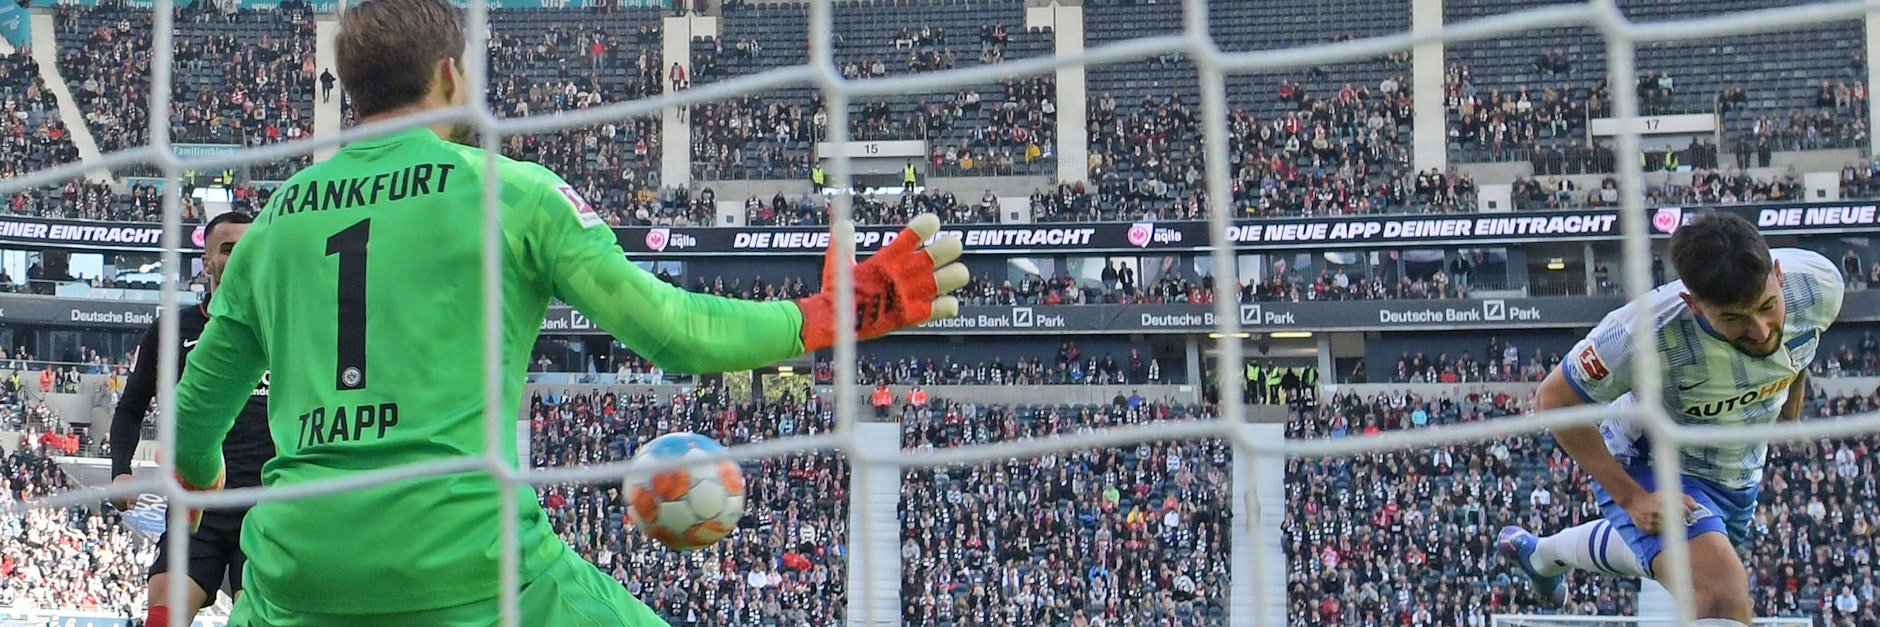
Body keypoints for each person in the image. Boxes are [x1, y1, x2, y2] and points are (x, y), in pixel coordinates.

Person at [166, 0, 966, 625]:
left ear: (352, 88)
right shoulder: (513, 193)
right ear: (450, 74)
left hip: (300, 577)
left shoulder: (271, 227)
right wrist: (827, 314)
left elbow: (194, 427)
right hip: (475, 569)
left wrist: (204, 478)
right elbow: (677, 334)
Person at [1498, 211, 1843, 627]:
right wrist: (1632, 499)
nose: (1761, 331)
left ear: (1779, 275)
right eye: (1733, 318)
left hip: (1737, 471)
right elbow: (1553, 400)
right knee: (1720, 594)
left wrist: (1790, 412)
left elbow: (1800, 345)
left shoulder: (1820, 283)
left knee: (1669, 556)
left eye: (1768, 306)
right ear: (1693, 304)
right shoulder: (1638, 334)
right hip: (1651, 459)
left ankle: (1542, 554)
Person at [108, 211, 267, 627]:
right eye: (228, 249)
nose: (239, 257)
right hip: (197, 507)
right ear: (206, 262)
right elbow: (131, 408)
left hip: (266, 505)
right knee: (163, 614)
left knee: (256, 617)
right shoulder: (174, 329)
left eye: (249, 248)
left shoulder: (283, 327)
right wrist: (121, 470)